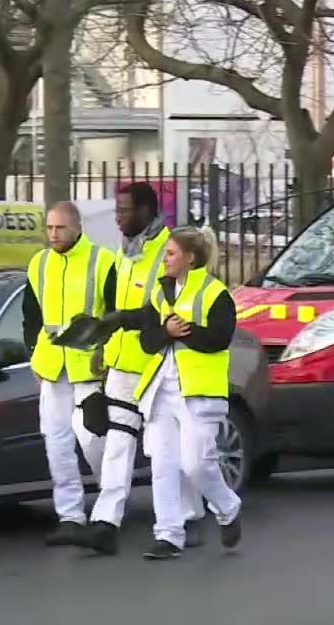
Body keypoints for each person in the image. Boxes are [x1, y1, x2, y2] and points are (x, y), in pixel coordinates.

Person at [80, 183, 206, 556]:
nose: (118, 217)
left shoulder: (171, 250)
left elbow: (166, 309)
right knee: (118, 443)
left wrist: (122, 321)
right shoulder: (125, 253)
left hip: (159, 364)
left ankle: (188, 516)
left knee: (163, 449)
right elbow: (117, 305)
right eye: (117, 210)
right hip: (123, 363)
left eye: (126, 210)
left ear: (149, 210)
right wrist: (104, 346)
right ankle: (105, 523)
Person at [134, 226, 242, 560]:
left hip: (198, 391)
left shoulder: (215, 292)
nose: (164, 260)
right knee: (164, 464)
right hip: (161, 389)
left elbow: (220, 338)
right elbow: (147, 340)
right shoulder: (159, 293)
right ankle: (168, 535)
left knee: (196, 464)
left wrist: (184, 332)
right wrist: (166, 332)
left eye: (170, 253)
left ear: (189, 258)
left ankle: (227, 507)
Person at [22, 201, 117, 546]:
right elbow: (31, 315)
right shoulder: (40, 263)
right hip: (53, 365)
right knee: (56, 442)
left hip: (89, 365)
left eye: (60, 228)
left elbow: (116, 313)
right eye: (49, 228)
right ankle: (70, 516)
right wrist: (34, 355)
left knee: (94, 441)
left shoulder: (102, 260)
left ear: (77, 227)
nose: (53, 234)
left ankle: (109, 510)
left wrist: (107, 357)